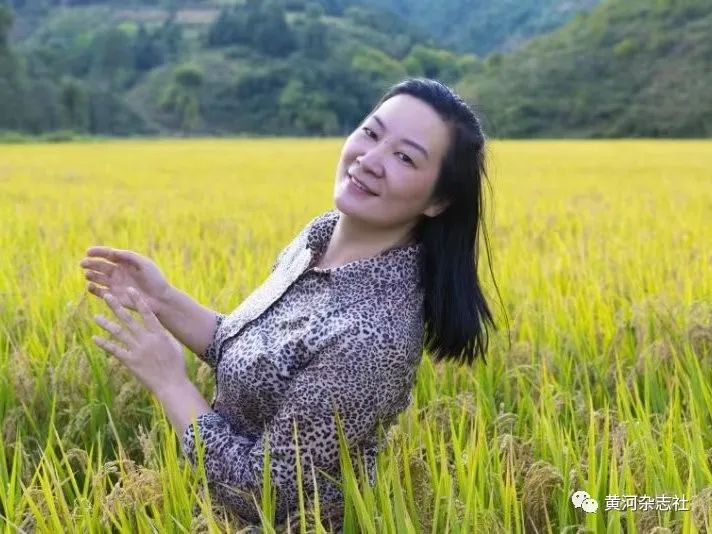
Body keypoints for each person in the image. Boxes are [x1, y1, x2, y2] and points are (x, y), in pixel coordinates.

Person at [79, 77, 499, 531]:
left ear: (438, 200)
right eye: (371, 133)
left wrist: (170, 383)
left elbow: (264, 494)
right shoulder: (319, 238)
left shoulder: (372, 336)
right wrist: (162, 298)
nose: (370, 160)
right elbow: (252, 357)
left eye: (404, 157)